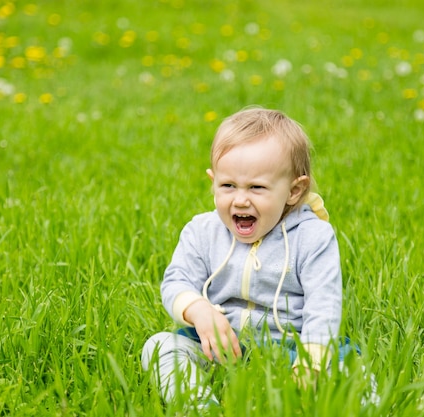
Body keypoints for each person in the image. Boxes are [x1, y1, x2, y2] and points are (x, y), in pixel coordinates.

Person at [141, 107, 362, 409]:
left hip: (293, 348)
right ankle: (199, 407)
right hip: (219, 346)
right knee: (159, 347)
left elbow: (324, 306)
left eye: (257, 188)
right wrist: (199, 312)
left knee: (350, 368)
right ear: (213, 180)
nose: (240, 199)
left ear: (294, 191)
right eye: (228, 185)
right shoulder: (202, 231)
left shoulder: (312, 237)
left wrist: (311, 358)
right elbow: (176, 281)